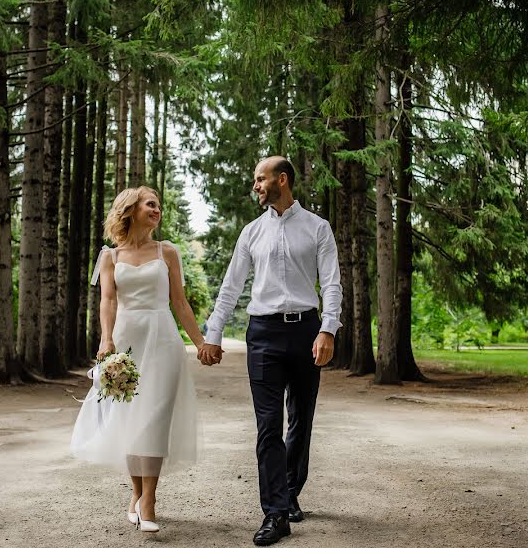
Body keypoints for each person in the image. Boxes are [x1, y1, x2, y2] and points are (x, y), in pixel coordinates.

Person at [200, 156, 343, 546]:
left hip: (306, 332)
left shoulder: (318, 228)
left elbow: (331, 284)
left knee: (300, 418)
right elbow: (231, 287)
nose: (256, 186)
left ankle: (291, 491)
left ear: (282, 180)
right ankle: (275, 513)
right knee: (268, 426)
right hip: (261, 334)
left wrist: (328, 329)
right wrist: (213, 333)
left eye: (260, 179)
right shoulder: (250, 233)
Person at [70, 186, 204, 533]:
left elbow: (180, 303)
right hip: (126, 340)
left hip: (163, 339)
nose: (156, 209)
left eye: (158, 205)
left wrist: (202, 342)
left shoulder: (168, 252)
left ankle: (150, 501)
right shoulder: (110, 257)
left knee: (156, 418)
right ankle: (136, 494)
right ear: (130, 210)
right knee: (130, 418)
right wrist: (106, 337)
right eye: (150, 204)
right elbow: (108, 301)